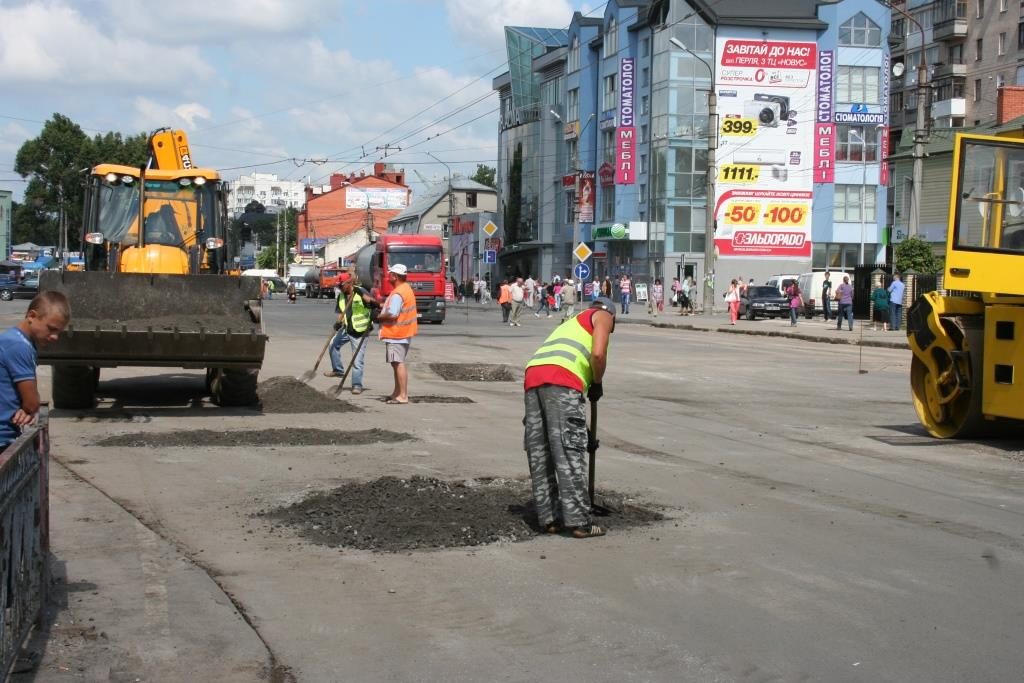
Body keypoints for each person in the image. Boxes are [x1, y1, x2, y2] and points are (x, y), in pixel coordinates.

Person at [523, 297, 616, 539]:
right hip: (562, 379)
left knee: (540, 450)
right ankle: (579, 522)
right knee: (568, 451)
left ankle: (549, 519)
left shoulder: (570, 322)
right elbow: (597, 354)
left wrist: (584, 433)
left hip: (533, 375)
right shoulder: (603, 316)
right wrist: (597, 382)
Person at [1, 291, 70, 449]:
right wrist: (28, 408)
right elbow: (32, 403)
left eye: (58, 332)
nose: (55, 337)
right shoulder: (19, 346)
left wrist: (28, 408)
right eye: (51, 329)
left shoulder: (16, 340)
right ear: (31, 316)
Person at [324, 273, 376, 394]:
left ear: (349, 283)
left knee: (357, 360)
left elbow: (374, 304)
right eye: (338, 286)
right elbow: (341, 312)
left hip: (360, 331)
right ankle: (338, 370)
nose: (339, 288)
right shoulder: (341, 296)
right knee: (332, 345)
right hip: (347, 329)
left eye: (341, 285)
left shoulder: (360, 292)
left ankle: (357, 384)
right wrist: (338, 323)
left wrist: (373, 315)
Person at [377, 264, 418, 404]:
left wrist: (379, 317)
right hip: (403, 333)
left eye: (390, 274)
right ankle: (397, 392)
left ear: (395, 276)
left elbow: (393, 314)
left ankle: (402, 395)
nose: (388, 277)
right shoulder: (406, 289)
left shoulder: (398, 293)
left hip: (397, 334)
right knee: (396, 363)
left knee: (398, 363)